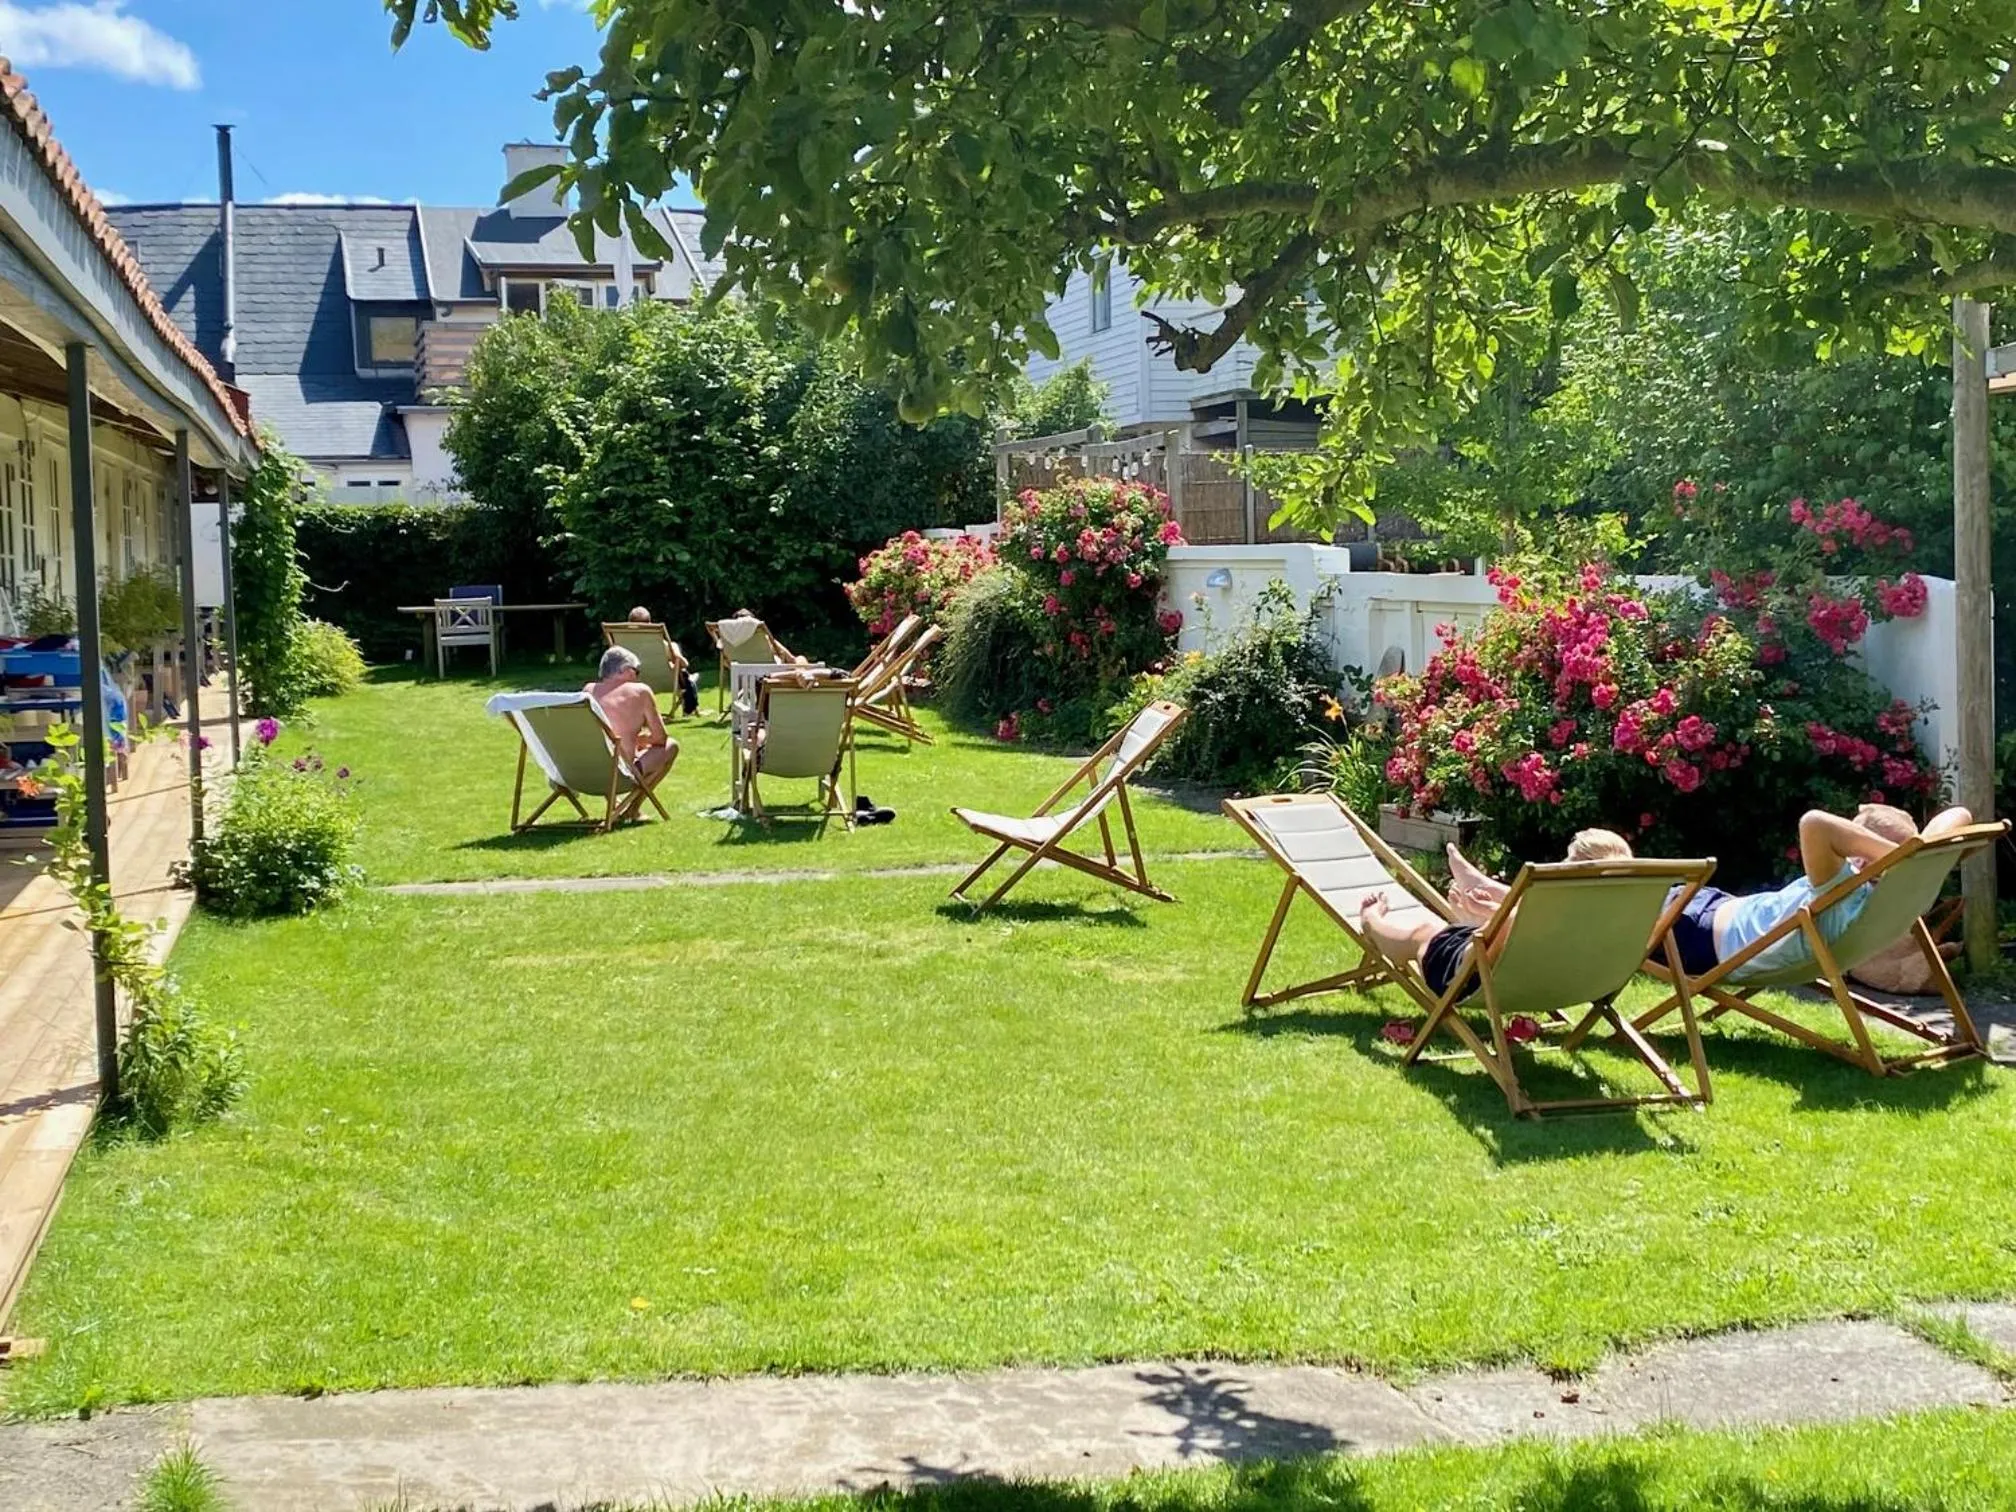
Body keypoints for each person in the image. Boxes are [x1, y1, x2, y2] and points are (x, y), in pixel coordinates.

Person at [1662, 802, 1973, 984]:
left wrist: (1893, 859)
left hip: (1691, 932)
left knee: (1632, 893)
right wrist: (1911, 857)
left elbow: (1814, 822)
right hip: (1713, 909)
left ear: (1862, 857)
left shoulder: (1843, 890)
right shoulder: (1905, 891)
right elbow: (1960, 814)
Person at [1362, 830, 1635, 998]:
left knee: (1422, 934)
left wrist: (1492, 915)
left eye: (1567, 860)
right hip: (1561, 984)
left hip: (1476, 981)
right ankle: (1480, 904)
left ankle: (1371, 921)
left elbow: (1521, 933)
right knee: (1516, 920)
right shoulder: (1620, 916)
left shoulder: (1554, 916)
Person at [585, 645, 679, 780]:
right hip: (620, 775)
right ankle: (636, 794)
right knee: (671, 746)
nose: (637, 677)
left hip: (586, 772)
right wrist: (642, 739)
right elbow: (661, 738)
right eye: (637, 671)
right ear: (627, 670)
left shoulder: (588, 691)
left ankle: (625, 795)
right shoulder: (640, 691)